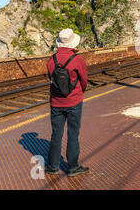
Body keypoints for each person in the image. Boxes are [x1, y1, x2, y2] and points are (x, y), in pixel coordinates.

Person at [45, 28, 89, 177]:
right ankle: (72, 167)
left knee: (56, 133)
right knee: (72, 134)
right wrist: (77, 93)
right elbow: (84, 80)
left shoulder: (51, 60)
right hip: (74, 101)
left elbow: (50, 78)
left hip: (56, 102)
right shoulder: (77, 59)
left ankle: (52, 166)